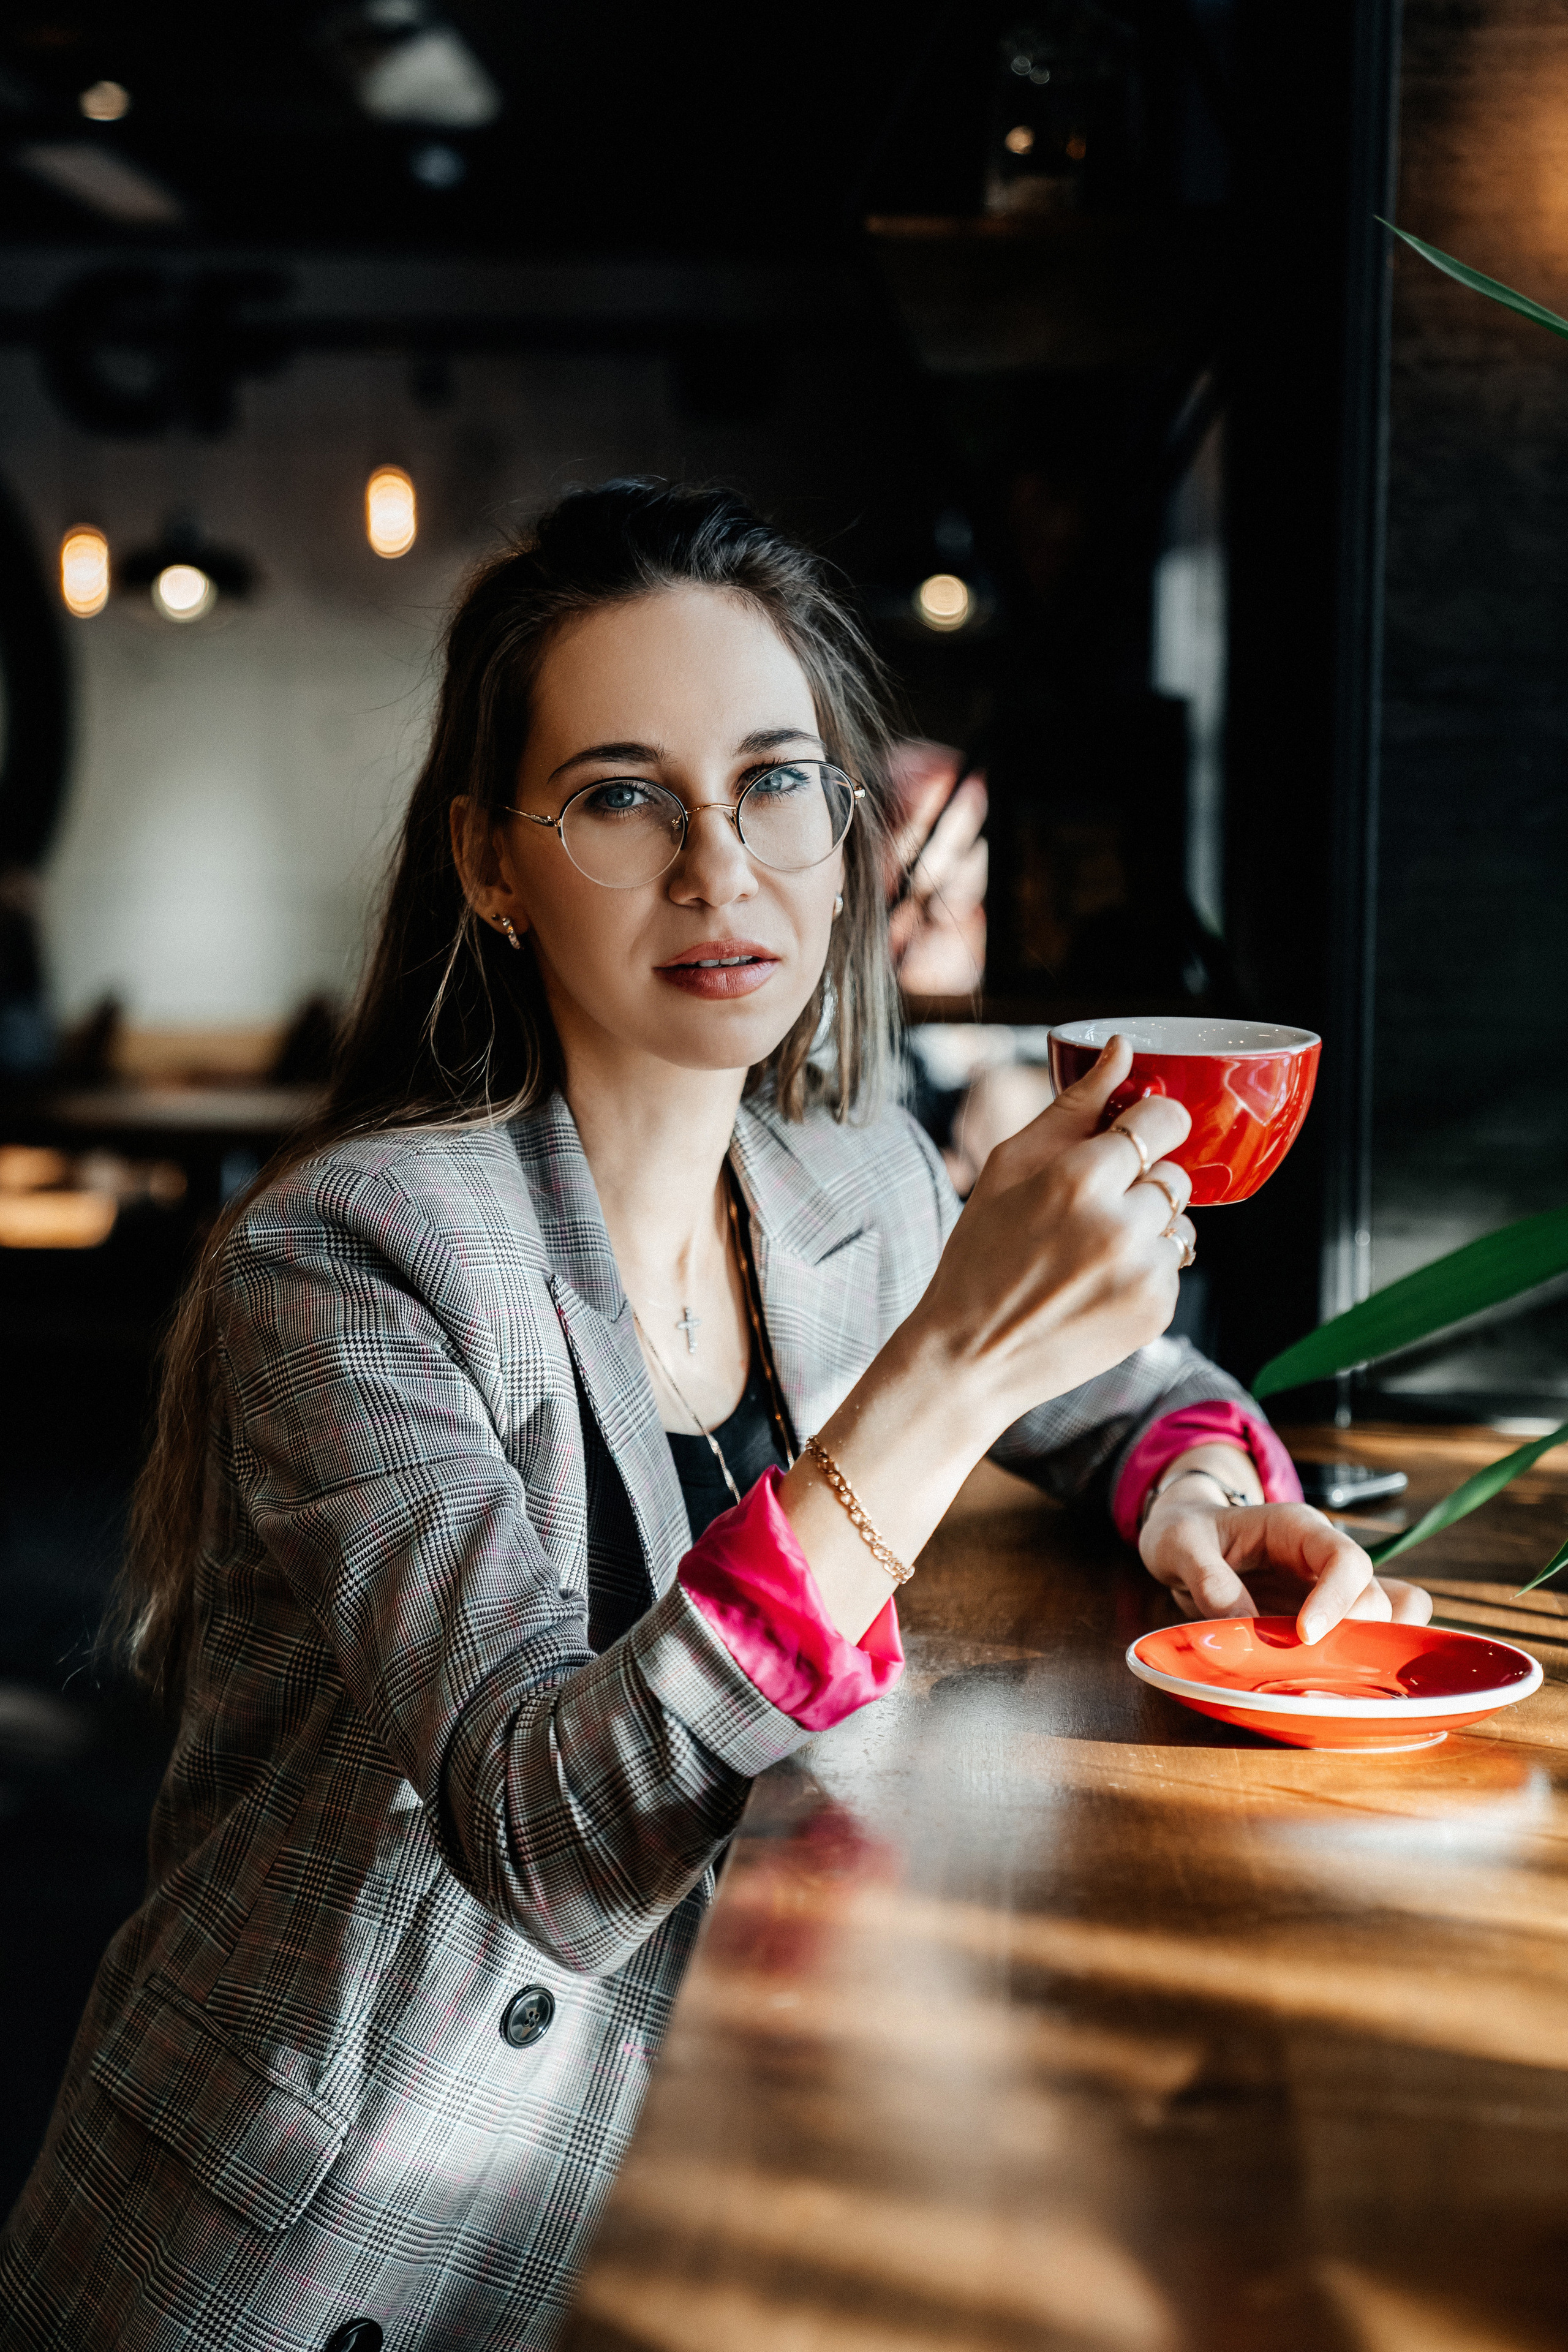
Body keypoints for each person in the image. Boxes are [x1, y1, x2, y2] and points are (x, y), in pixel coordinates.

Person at [0, 483, 1431, 2352]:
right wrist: (948, 1373)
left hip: (683, 2174)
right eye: (621, 797)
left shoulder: (854, 1183)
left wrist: (1201, 1505)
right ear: (490, 864)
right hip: (321, 2249)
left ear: (841, 842)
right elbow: (551, 1836)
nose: (717, 868)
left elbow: (1117, 1384)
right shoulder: (346, 1265)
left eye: (774, 786)